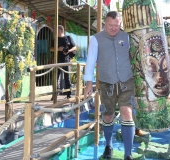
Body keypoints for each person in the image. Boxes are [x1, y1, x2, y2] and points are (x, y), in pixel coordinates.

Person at [83, 11, 135, 160]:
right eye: (111, 25)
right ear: (105, 24)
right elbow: (91, 61)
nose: (113, 28)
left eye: (116, 25)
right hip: (106, 82)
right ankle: (109, 145)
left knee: (127, 112)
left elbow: (135, 56)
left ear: (120, 24)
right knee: (107, 116)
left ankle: (128, 154)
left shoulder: (127, 37)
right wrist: (89, 84)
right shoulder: (96, 39)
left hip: (126, 81)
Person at [50, 25, 77, 99]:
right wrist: (58, 49)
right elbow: (51, 49)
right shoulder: (55, 39)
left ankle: (69, 94)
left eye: (56, 30)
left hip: (66, 60)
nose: (55, 31)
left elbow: (74, 47)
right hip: (57, 60)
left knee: (67, 77)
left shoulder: (68, 38)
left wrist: (68, 51)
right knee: (56, 78)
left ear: (60, 30)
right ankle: (54, 94)